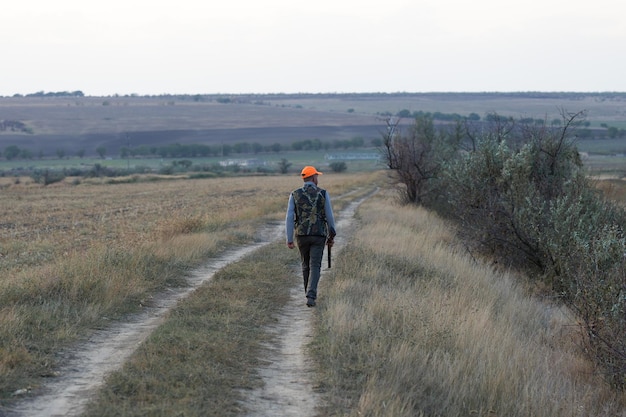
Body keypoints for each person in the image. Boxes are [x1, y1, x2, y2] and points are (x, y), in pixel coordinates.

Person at [286, 166, 336, 307]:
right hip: (319, 234)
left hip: (301, 235)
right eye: (317, 177)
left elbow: (289, 217)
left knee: (305, 265)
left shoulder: (294, 194)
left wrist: (289, 239)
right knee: (315, 265)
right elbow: (330, 216)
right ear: (313, 177)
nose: (317, 179)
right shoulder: (323, 193)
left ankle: (308, 293)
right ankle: (311, 295)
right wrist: (332, 235)